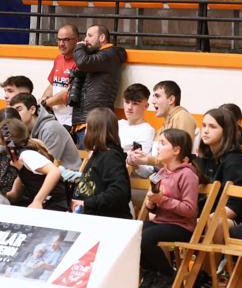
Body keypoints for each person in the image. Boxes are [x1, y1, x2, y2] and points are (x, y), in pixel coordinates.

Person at [139, 128, 199, 288]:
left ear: (176, 150)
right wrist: (151, 203)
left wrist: (162, 200)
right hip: (162, 222)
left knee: (147, 238)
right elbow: (154, 208)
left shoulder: (187, 175)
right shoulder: (162, 173)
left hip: (181, 226)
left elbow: (189, 209)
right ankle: (150, 274)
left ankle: (168, 275)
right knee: (134, 233)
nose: (157, 147)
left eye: (163, 143)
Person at [68, 24, 127, 141]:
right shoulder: (98, 56)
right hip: (85, 123)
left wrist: (79, 47)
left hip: (95, 125)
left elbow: (82, 62)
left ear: (102, 38)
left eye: (90, 36)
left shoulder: (109, 55)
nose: (85, 40)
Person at [71, 108, 132, 218]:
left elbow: (119, 192)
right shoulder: (98, 154)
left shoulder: (110, 156)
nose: (85, 131)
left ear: (95, 131)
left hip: (106, 221)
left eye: (87, 127)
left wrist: (86, 204)